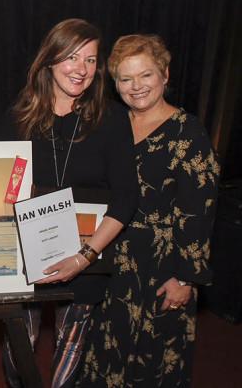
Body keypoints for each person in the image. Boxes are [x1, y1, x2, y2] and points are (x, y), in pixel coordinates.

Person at [0, 18, 138, 387]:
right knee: (19, 344)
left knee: (71, 345)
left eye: (91, 60)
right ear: (50, 59)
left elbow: (127, 196)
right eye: (72, 57)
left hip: (87, 252)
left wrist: (84, 256)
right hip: (24, 255)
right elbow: (2, 188)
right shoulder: (19, 117)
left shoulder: (111, 119)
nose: (82, 69)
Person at [76, 34, 220, 387]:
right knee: (104, 355)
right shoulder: (113, 124)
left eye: (146, 75)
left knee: (150, 365)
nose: (136, 86)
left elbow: (199, 212)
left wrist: (185, 278)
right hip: (109, 261)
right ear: (115, 84)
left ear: (165, 75)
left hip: (162, 271)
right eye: (126, 79)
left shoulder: (189, 133)